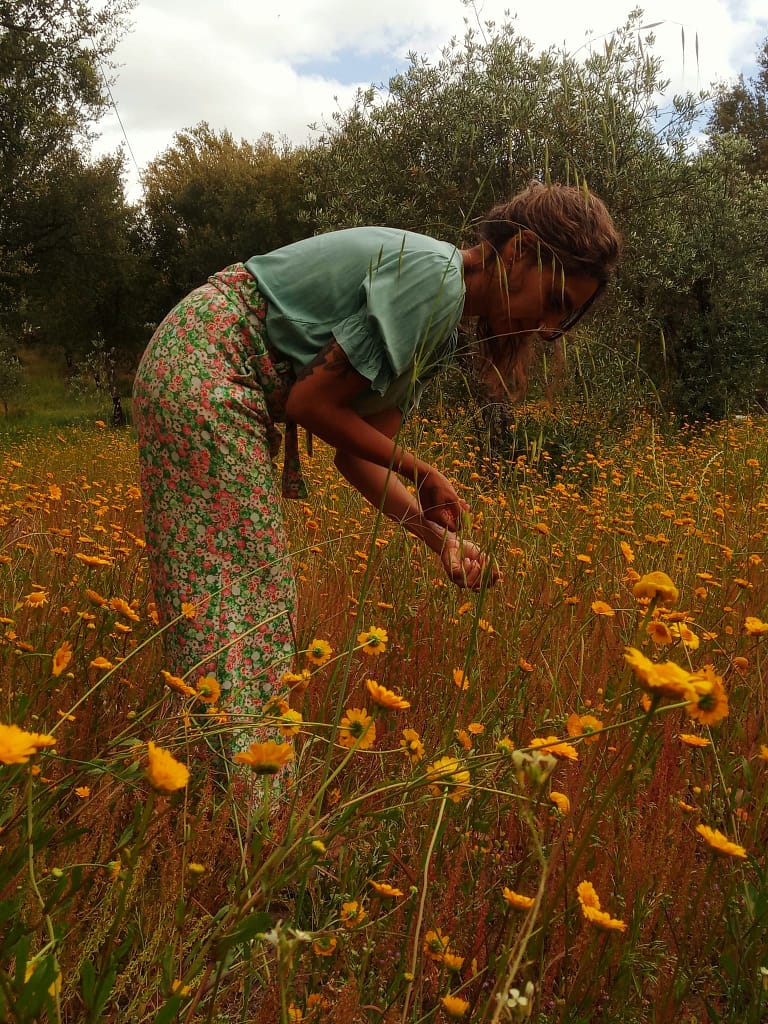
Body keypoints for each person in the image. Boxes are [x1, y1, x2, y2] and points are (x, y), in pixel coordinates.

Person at [132, 181, 621, 757]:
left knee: (242, 604)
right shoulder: (436, 280)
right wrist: (423, 470)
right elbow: (311, 404)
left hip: (203, 368)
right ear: (519, 251)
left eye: (564, 318)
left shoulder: (440, 324)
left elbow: (358, 454)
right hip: (207, 365)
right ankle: (235, 783)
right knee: (245, 606)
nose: (546, 326)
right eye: (556, 300)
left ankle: (212, 774)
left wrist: (439, 538)